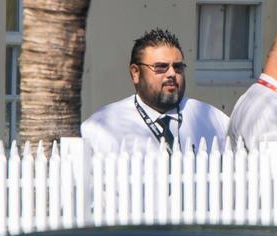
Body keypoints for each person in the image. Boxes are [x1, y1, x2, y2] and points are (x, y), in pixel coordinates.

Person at [81, 28, 229, 153]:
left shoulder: (211, 118)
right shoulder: (102, 127)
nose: (171, 74)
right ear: (136, 73)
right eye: (160, 67)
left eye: (177, 67)